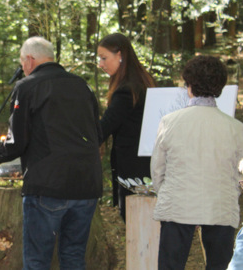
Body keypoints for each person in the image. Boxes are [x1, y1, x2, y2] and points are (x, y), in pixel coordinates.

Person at [0, 37, 103, 269]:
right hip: (87, 184)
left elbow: (16, 142)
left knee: (36, 261)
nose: (22, 68)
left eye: (22, 63)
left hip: (48, 186)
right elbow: (96, 133)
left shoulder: (27, 86)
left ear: (30, 60)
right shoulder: (82, 86)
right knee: (73, 257)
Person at [151, 55, 243, 270]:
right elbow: (240, 172)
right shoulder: (236, 128)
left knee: (170, 266)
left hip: (177, 204)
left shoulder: (169, 122)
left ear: (189, 85)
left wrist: (165, 192)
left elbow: (157, 170)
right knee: (219, 265)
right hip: (221, 205)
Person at [97, 33, 155, 221]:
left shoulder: (125, 91)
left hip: (134, 171)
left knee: (137, 224)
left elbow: (104, 128)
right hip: (146, 165)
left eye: (104, 58)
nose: (100, 64)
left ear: (120, 55)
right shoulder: (142, 82)